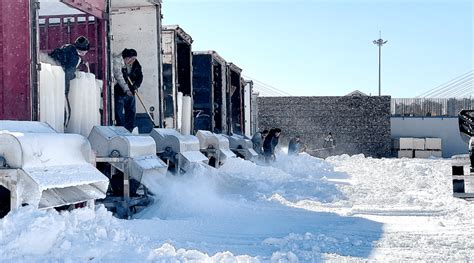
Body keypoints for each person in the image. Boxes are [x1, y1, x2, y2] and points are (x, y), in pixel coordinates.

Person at [49, 35, 90, 126]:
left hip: (50, 81)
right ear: (84, 50)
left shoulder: (66, 47)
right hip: (62, 85)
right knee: (65, 109)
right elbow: (69, 73)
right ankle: (63, 126)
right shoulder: (75, 58)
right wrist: (75, 75)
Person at [113, 48, 143, 132]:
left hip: (131, 90)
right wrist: (126, 90)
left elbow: (139, 77)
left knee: (131, 111)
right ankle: (120, 130)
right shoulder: (117, 61)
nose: (132, 61)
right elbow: (119, 77)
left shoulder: (135, 63)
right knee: (118, 112)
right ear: (126, 58)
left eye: (134, 59)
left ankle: (130, 129)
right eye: (131, 59)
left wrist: (135, 86)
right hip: (119, 91)